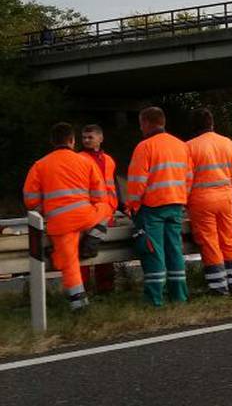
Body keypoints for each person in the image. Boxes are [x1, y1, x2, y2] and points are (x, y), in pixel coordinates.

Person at [23, 123, 115, 310]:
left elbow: (30, 200)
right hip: (86, 217)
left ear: (52, 142)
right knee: (106, 208)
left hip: (60, 223)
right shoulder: (85, 162)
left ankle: (78, 303)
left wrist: (46, 208)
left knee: (69, 263)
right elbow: (100, 196)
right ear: (72, 141)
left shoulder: (40, 165)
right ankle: (94, 236)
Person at [125, 106, 193, 306]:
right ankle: (179, 295)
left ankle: (155, 298)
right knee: (174, 250)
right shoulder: (181, 146)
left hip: (152, 207)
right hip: (176, 204)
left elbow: (137, 181)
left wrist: (133, 205)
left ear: (146, 123)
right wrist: (183, 199)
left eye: (140, 124)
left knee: (153, 252)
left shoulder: (145, 147)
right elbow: (189, 177)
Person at [186, 108, 232, 296]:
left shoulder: (190, 147)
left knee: (210, 242)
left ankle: (219, 287)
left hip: (201, 201)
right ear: (212, 123)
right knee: (228, 240)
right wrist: (228, 192)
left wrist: (184, 203)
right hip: (225, 197)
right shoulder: (228, 143)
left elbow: (186, 179)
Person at [78, 124, 121, 294]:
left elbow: (113, 186)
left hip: (107, 213)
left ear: (100, 139)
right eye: (84, 138)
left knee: (106, 254)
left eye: (90, 137)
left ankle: (106, 288)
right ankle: (84, 289)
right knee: (84, 251)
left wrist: (119, 207)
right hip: (89, 212)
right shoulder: (79, 158)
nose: (86, 140)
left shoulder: (109, 160)